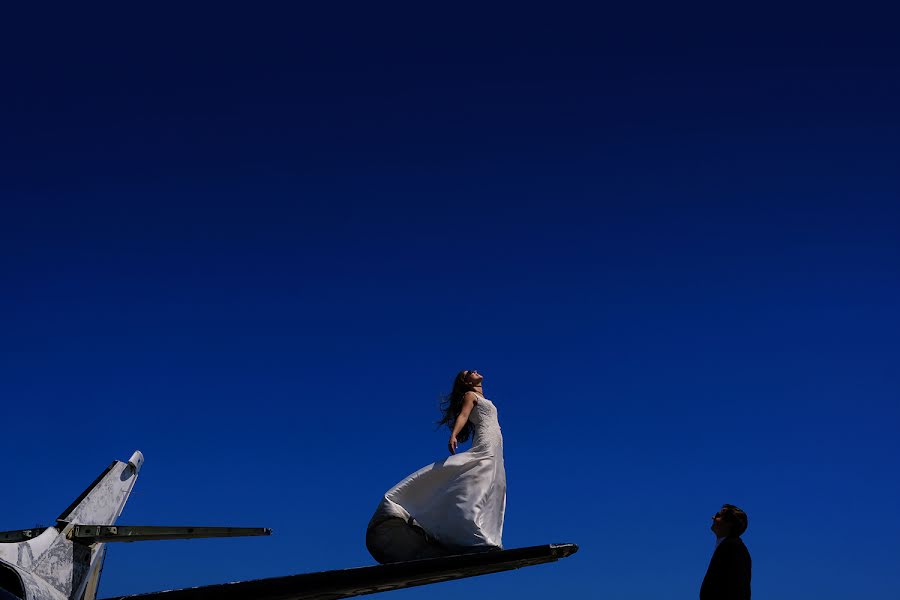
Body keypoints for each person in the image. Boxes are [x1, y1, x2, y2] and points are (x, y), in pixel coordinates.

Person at [366, 369, 506, 564]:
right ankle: (474, 535)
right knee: (479, 480)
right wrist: (454, 434)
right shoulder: (470, 395)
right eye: (469, 372)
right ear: (466, 382)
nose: (475, 371)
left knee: (495, 484)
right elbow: (464, 415)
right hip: (485, 440)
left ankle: (486, 537)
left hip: (496, 443)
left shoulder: (483, 397)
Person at [700, 504, 752, 600]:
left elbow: (738, 589)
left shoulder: (734, 548)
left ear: (729, 523)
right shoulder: (728, 546)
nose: (713, 517)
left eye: (718, 515)